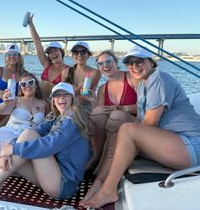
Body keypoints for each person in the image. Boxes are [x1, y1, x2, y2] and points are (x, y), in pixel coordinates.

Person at [80, 46, 200, 208]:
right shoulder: (144, 84)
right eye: (130, 63)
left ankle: (107, 189)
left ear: (151, 62)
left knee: (126, 130)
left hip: (191, 146)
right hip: (174, 143)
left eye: (139, 61)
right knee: (121, 131)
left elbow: (149, 124)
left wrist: (122, 128)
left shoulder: (159, 79)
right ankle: (99, 182)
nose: (134, 66)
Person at [82, 50, 138, 201]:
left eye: (108, 61)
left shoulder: (131, 78)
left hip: (136, 126)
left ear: (116, 62)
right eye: (100, 63)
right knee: (98, 113)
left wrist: (123, 108)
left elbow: (147, 106)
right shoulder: (103, 89)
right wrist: (93, 101)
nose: (105, 65)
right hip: (113, 130)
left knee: (116, 115)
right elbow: (98, 116)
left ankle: (102, 178)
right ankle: (96, 158)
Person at [0, 72, 48, 156]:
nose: (27, 86)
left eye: (30, 82)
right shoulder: (16, 100)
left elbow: (49, 123)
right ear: (21, 87)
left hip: (28, 140)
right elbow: (2, 111)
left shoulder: (44, 104)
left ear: (36, 84)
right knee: (19, 154)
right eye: (23, 84)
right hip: (8, 135)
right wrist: (6, 103)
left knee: (23, 158)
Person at [27, 15, 68, 98]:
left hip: (54, 104)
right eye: (50, 52)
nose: (53, 54)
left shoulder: (68, 70)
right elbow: (37, 42)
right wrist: (31, 24)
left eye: (55, 50)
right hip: (39, 101)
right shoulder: (47, 64)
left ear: (62, 52)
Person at [61, 41, 101, 109]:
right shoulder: (65, 71)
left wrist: (71, 89)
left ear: (88, 55)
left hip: (86, 107)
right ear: (73, 55)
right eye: (76, 52)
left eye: (83, 52)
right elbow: (63, 92)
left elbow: (81, 91)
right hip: (68, 106)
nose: (79, 55)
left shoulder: (95, 73)